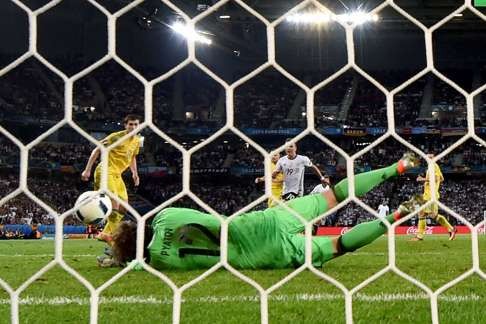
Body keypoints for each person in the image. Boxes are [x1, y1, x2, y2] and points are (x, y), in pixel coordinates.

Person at [103, 153, 421, 269]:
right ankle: (398, 166)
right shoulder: (164, 217)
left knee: (337, 247)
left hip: (263, 256)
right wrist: (121, 234)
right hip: (262, 222)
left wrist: (118, 251)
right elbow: (147, 219)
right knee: (334, 195)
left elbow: (138, 260)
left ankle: (393, 217)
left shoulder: (159, 260)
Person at [81, 114, 142, 244]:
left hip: (117, 175)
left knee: (123, 206)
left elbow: (132, 157)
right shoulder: (116, 137)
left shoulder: (137, 140)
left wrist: (135, 173)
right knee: (114, 201)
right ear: (125, 125)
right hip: (105, 171)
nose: (133, 127)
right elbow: (97, 150)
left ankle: (105, 234)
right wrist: (87, 170)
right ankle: (113, 238)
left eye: (136, 124)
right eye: (130, 124)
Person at [411, 153, 457, 241]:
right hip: (428, 194)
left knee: (432, 215)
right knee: (422, 213)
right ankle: (419, 236)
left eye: (430, 157)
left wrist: (423, 179)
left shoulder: (433, 166)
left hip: (430, 195)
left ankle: (451, 229)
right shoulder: (433, 166)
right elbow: (441, 178)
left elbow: (436, 178)